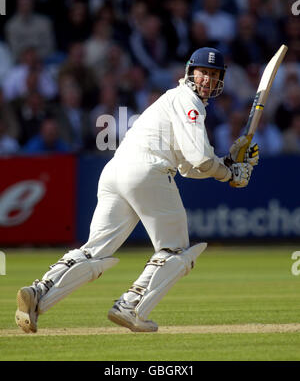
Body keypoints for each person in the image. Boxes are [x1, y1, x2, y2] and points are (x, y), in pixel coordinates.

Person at [15, 47, 259, 334]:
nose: (207, 79)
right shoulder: (190, 102)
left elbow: (188, 166)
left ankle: (38, 292)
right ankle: (131, 305)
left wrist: (225, 167)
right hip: (146, 171)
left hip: (117, 171)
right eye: (203, 72)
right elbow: (200, 160)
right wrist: (230, 172)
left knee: (94, 251)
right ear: (190, 71)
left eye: (213, 74)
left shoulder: (172, 100)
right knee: (176, 250)